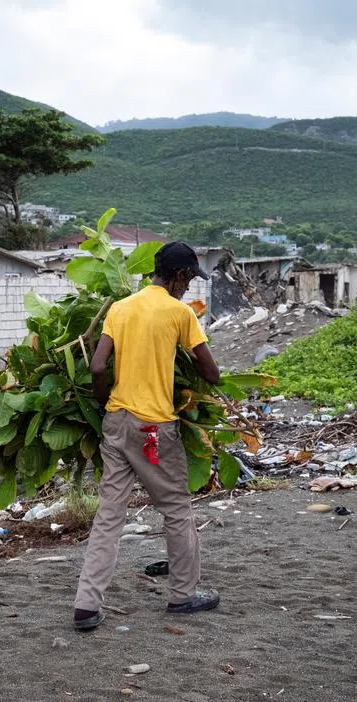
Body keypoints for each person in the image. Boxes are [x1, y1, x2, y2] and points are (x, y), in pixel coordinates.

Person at [73, 241, 223, 631]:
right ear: (177, 276)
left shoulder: (121, 308)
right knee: (175, 508)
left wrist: (107, 404)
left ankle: (87, 606)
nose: (189, 287)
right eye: (189, 278)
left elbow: (98, 365)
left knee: (109, 514)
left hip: (116, 423)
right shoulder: (179, 313)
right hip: (154, 428)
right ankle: (183, 595)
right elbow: (212, 374)